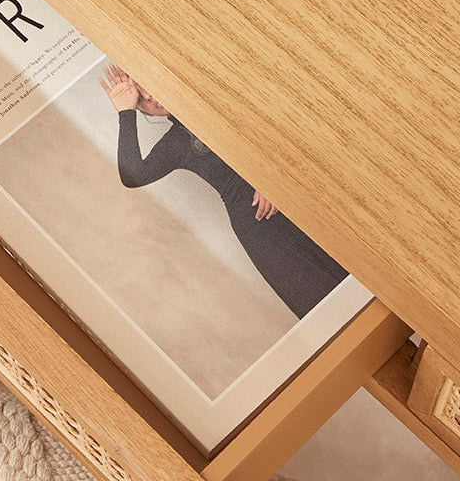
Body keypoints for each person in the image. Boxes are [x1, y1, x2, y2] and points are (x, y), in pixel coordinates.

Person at [99, 64, 347, 319]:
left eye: (145, 85)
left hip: (296, 194)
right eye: (139, 98)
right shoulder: (175, 143)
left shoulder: (212, 94)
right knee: (321, 296)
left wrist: (269, 176)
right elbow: (132, 175)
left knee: (354, 264)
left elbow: (278, 119)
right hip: (259, 228)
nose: (149, 97)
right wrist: (125, 112)